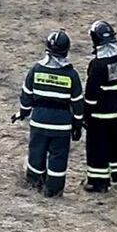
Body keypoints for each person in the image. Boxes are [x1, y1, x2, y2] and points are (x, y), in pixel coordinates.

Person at [16, 29, 85, 198]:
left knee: (36, 153)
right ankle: (53, 191)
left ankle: (34, 184)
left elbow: (26, 96)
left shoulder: (36, 70)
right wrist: (77, 126)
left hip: (39, 122)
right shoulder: (71, 75)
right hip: (62, 126)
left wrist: (23, 113)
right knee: (58, 159)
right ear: (66, 50)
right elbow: (78, 104)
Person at [82, 20, 117, 191]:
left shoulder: (97, 65)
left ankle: (98, 182)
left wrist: (85, 115)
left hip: (99, 115)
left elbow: (91, 95)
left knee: (97, 146)